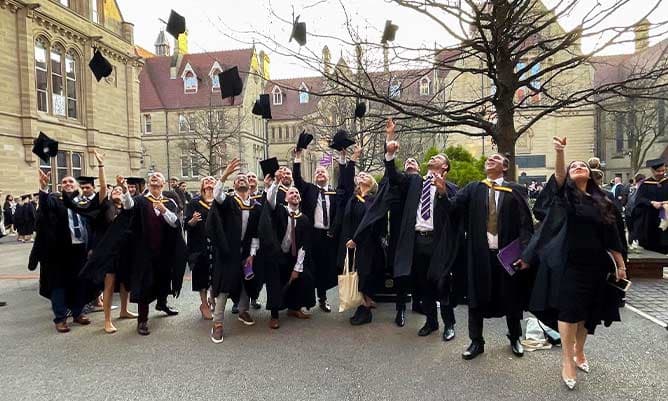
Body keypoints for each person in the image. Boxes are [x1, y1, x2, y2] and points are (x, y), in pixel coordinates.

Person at [523, 137, 626, 390]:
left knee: (586, 314)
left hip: (597, 265)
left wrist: (621, 265)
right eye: (573, 166)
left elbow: (611, 237)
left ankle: (580, 350)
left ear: (590, 174)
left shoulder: (603, 202)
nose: (578, 167)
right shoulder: (564, 198)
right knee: (569, 311)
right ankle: (568, 361)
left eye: (583, 165)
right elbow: (558, 178)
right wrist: (560, 152)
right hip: (569, 263)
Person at [443, 153, 534, 360]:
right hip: (479, 253)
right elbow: (452, 207)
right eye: (488, 159)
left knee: (511, 296)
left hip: (507, 255)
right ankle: (476, 341)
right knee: (476, 297)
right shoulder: (474, 188)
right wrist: (441, 192)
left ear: (505, 166)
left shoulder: (515, 190)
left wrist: (526, 253)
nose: (489, 160)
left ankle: (515, 337)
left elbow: (525, 225)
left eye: (495, 158)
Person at [381, 119, 459, 340]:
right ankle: (431, 323)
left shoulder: (452, 188)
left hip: (438, 242)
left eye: (438, 158)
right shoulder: (415, 182)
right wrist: (389, 149)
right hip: (416, 241)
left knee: (441, 283)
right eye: (432, 157)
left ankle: (449, 324)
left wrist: (443, 193)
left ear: (444, 167)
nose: (432, 158)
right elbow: (393, 176)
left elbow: (455, 213)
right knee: (423, 284)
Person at [63, 151, 136, 333]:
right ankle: (107, 320)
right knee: (109, 284)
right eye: (115, 190)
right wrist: (101, 165)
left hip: (124, 250)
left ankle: (125, 310)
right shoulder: (105, 206)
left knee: (125, 281)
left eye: (120, 191)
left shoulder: (126, 209)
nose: (117, 192)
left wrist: (124, 187)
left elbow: (129, 203)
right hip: (108, 251)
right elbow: (103, 187)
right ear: (110, 195)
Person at [119, 172, 187, 335]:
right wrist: (124, 190)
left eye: (158, 176)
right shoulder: (141, 201)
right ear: (149, 184)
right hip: (144, 251)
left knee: (164, 278)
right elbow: (128, 206)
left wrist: (164, 210)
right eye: (152, 177)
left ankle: (162, 304)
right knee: (145, 285)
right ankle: (142, 320)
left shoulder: (169, 202)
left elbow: (174, 223)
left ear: (163, 184)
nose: (154, 177)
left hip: (164, 250)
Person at [30, 171, 94, 333]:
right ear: (60, 186)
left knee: (79, 284)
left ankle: (78, 313)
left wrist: (91, 246)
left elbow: (91, 225)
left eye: (70, 181)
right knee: (59, 285)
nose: (67, 184)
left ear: (76, 185)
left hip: (80, 249)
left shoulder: (83, 202)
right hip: (59, 252)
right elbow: (44, 209)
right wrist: (43, 188)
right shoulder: (54, 200)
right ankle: (60, 319)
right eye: (64, 182)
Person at [292, 146, 354, 312]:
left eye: (323, 172)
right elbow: (297, 179)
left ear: (327, 176)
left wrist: (342, 159)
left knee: (326, 268)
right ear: (313, 177)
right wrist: (298, 158)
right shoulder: (308, 190)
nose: (320, 174)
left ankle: (323, 298)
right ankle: (305, 300)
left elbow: (344, 183)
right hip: (312, 235)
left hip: (328, 236)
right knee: (309, 268)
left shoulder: (334, 193)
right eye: (317, 172)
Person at [208, 160, 261, 343]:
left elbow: (256, 234)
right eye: (237, 179)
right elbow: (216, 195)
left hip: (245, 252)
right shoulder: (229, 202)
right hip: (228, 251)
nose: (241, 180)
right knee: (224, 286)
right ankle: (218, 323)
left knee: (247, 281)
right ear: (233, 184)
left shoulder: (255, 206)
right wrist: (224, 175)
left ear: (250, 184)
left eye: (244, 178)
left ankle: (243, 311)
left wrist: (252, 255)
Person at [261, 179, 316, 329]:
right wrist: (276, 182)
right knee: (275, 283)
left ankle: (294, 308)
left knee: (302, 277)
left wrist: (297, 268)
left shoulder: (304, 219)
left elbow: (304, 246)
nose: (295, 194)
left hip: (293, 256)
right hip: (277, 254)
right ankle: (274, 315)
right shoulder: (280, 210)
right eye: (291, 192)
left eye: (297, 193)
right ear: (285, 198)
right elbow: (270, 200)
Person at [342, 164, 385, 325]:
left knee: (365, 276)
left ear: (372, 184)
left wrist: (357, 239)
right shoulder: (353, 200)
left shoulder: (373, 201)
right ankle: (362, 306)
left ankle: (365, 310)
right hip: (352, 244)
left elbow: (371, 224)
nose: (362, 176)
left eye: (366, 176)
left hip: (368, 245)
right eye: (360, 175)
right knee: (356, 275)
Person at [185, 176, 216, 321]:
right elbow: (186, 224)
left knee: (216, 273)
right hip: (199, 245)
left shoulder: (219, 201)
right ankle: (204, 304)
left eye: (212, 180)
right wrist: (192, 221)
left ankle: (213, 298)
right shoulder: (194, 203)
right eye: (206, 180)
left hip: (216, 244)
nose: (209, 181)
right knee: (202, 275)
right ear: (202, 185)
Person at [631, 159, 668, 254]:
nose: (661, 173)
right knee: (652, 245)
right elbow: (639, 200)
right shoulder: (645, 184)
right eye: (658, 171)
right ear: (652, 171)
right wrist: (651, 202)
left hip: (666, 217)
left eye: (663, 170)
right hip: (650, 219)